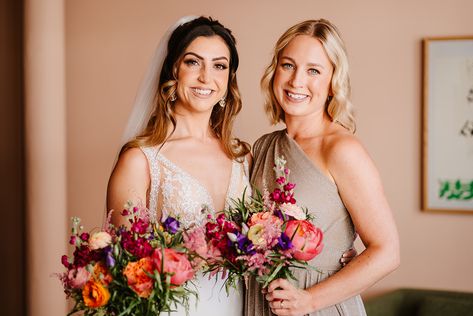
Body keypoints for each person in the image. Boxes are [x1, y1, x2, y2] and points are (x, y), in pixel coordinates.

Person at [245, 19, 400, 315]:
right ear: (274, 71)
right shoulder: (263, 146)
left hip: (317, 307)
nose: (296, 81)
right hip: (261, 302)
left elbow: (388, 252)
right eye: (288, 65)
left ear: (333, 82)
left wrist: (310, 301)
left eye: (314, 70)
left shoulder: (342, 150)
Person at [106, 16, 251, 316]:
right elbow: (128, 271)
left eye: (219, 65)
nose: (205, 77)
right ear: (174, 69)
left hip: (238, 306)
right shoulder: (141, 160)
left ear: (229, 80)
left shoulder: (243, 156)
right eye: (193, 62)